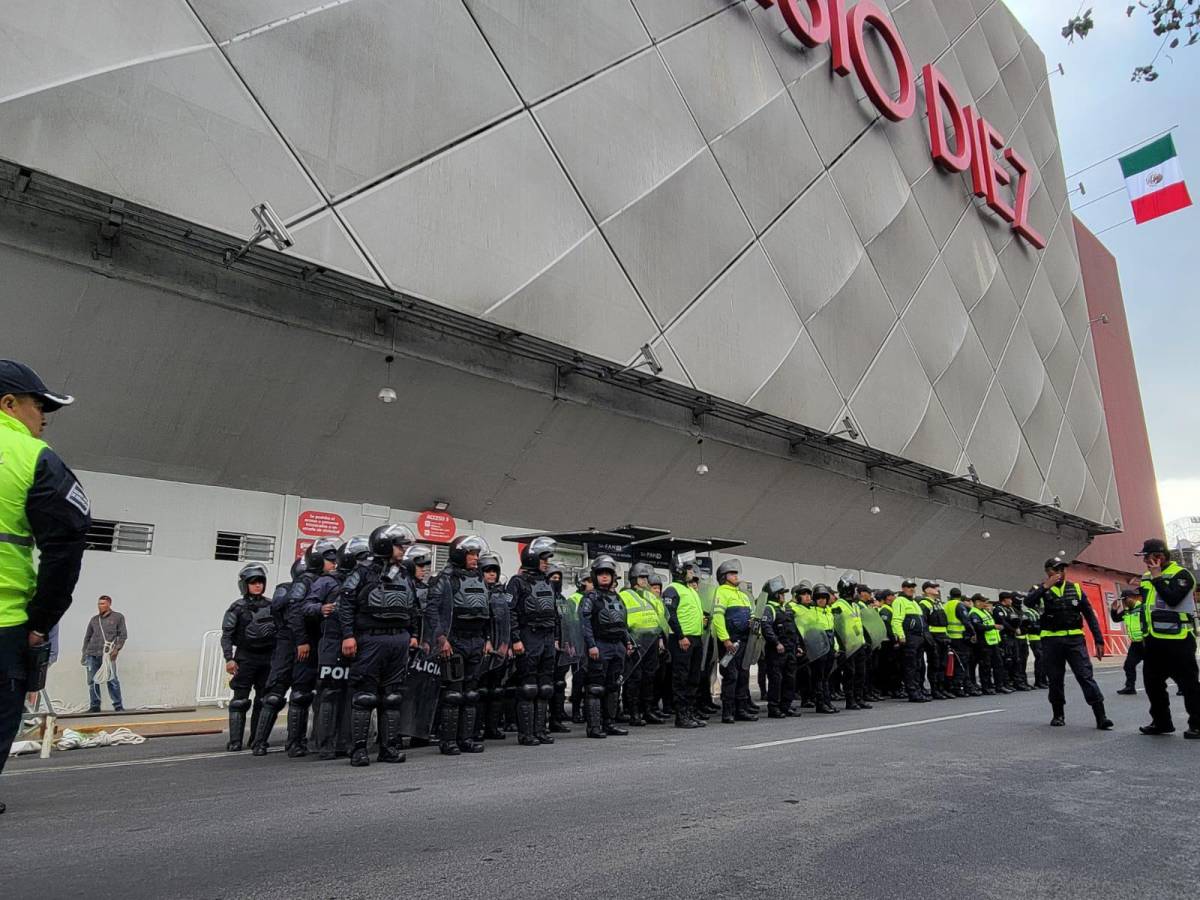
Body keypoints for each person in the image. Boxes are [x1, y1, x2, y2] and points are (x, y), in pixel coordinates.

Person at [0, 361, 90, 816]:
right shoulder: (33, 457)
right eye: (39, 405)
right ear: (8, 404)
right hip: (5, 622)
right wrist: (42, 620)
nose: (44, 417)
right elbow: (65, 547)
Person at [338, 523, 418, 767]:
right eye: (398, 545)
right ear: (385, 545)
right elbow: (346, 604)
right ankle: (359, 750)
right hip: (370, 639)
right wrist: (348, 635)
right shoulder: (362, 572)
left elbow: (413, 606)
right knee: (365, 696)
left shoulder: (404, 573)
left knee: (392, 697)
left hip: (398, 639)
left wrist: (412, 634)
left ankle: (388, 748)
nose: (403, 549)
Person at [1023, 557, 1111, 730]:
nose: (1060, 573)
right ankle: (1058, 715)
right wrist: (1045, 586)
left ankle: (1101, 717)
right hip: (1051, 641)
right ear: (1048, 571)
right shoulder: (1040, 590)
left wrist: (1099, 640)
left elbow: (1090, 616)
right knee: (1055, 679)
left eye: (1062, 569)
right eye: (1055, 569)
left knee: (1085, 676)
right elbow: (1028, 603)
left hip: (1075, 640)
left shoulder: (1075, 588)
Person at [426, 534, 493, 756]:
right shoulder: (444, 579)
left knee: (471, 693)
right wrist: (441, 639)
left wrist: (488, 639)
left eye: (476, 554)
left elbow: (487, 611)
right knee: (453, 694)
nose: (475, 558)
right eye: (471, 554)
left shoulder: (480, 579)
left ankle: (467, 739)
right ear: (459, 555)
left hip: (476, 640)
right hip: (454, 640)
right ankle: (448, 741)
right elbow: (433, 611)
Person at [1132, 539, 1200, 739]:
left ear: (1159, 557)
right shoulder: (1146, 577)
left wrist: (1157, 577)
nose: (1145, 561)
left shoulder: (1182, 574)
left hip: (1179, 639)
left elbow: (1173, 599)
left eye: (1147, 557)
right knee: (1153, 684)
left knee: (1189, 685)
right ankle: (1162, 722)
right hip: (1153, 640)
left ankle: (1197, 724)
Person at [309, 536, 367, 759]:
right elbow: (305, 605)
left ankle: (346, 742)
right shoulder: (327, 581)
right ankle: (325, 745)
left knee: (352, 693)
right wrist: (320, 608)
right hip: (332, 642)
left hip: (355, 642)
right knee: (330, 693)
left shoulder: (363, 580)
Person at [282, 537, 340, 757]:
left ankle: (317, 738)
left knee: (322, 693)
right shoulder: (305, 581)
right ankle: (294, 742)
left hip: (322, 642)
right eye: (329, 559)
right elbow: (295, 611)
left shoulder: (329, 580)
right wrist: (302, 641)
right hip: (306, 643)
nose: (333, 563)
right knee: (301, 694)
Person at [506, 536, 560, 747]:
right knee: (528, 686)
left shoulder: (547, 582)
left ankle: (541, 730)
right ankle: (526, 733)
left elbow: (554, 612)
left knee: (545, 686)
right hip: (529, 635)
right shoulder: (517, 582)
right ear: (531, 559)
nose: (546, 563)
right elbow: (509, 612)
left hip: (546, 637)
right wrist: (516, 639)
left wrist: (555, 638)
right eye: (543, 558)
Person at [249, 557, 305, 755]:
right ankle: (261, 742)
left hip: (295, 644)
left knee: (299, 695)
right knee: (275, 695)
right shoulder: (289, 589)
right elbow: (279, 609)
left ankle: (294, 742)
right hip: (290, 644)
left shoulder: (307, 588)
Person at [220, 563, 275, 752]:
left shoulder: (272, 606)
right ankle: (235, 740)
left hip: (267, 659)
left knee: (264, 700)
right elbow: (226, 635)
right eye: (253, 582)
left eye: (260, 582)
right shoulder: (237, 608)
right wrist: (229, 658)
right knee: (239, 701)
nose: (257, 585)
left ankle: (258, 740)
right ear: (245, 585)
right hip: (245, 657)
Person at [579, 555, 633, 738]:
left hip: (617, 646)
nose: (604, 577)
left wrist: (628, 642)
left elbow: (622, 622)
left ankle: (609, 723)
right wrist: (592, 646)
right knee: (595, 687)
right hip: (600, 646)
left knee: (613, 687)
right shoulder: (590, 597)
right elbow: (585, 624)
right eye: (601, 574)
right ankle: (594, 727)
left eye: (607, 574)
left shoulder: (617, 597)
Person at [618, 562, 666, 727]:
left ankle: (648, 709)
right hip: (635, 640)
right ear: (633, 579)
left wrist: (660, 637)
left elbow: (659, 617)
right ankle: (633, 712)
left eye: (646, 577)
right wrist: (627, 640)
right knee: (635, 678)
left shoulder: (650, 596)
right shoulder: (625, 595)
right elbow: (621, 620)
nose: (645, 580)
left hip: (651, 640)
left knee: (649, 676)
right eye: (641, 577)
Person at [662, 559, 706, 728]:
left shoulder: (690, 590)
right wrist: (681, 636)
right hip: (682, 639)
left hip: (695, 638)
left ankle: (690, 711)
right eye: (688, 570)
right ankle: (681, 715)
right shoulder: (672, 590)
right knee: (681, 677)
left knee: (694, 677)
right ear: (679, 571)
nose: (691, 573)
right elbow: (670, 615)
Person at [712, 559, 756, 723]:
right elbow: (717, 618)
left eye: (736, 573)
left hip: (744, 641)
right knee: (731, 676)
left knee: (743, 675)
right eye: (732, 573)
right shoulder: (721, 592)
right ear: (724, 577)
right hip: (730, 642)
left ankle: (741, 710)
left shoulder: (743, 595)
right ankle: (728, 712)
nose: (736, 576)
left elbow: (751, 614)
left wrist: (752, 622)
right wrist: (725, 640)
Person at [478, 551, 511, 741]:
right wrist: (486, 640)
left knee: (496, 689)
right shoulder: (477, 592)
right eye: (488, 571)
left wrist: (508, 644)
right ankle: (478, 728)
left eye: (494, 571)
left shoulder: (501, 594)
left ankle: (492, 727)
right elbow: (481, 620)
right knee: (481, 689)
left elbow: (506, 620)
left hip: (501, 647)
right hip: (484, 646)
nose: (491, 575)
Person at [81, 595, 127, 712]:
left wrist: (117, 649)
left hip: (107, 654)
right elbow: (87, 637)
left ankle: (118, 705)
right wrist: (84, 654)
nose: (100, 606)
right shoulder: (94, 620)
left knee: (112, 679)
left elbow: (122, 635)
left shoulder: (118, 617)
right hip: (92, 653)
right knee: (92, 681)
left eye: (102, 604)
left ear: (109, 604)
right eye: (99, 604)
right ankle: (95, 705)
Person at [761, 577, 798, 718]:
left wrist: (798, 645)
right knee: (776, 679)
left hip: (790, 650)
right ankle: (774, 707)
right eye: (782, 593)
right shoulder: (769, 609)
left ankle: (786, 705)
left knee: (790, 679)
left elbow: (794, 629)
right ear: (775, 595)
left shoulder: (786, 609)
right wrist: (776, 643)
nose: (784, 596)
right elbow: (766, 627)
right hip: (776, 651)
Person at [889, 586, 929, 702]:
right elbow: (896, 620)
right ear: (903, 588)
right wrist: (901, 636)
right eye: (908, 587)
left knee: (918, 666)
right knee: (910, 667)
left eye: (912, 587)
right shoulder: (900, 601)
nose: (911, 589)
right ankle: (912, 692)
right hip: (909, 637)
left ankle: (918, 690)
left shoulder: (914, 603)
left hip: (918, 637)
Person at [920, 581, 951, 699]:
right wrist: (930, 640)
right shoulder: (925, 604)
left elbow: (944, 623)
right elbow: (924, 623)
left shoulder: (938, 603)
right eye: (933, 587)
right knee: (935, 664)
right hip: (934, 638)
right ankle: (935, 689)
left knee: (943, 664)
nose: (937, 589)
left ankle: (941, 688)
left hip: (943, 637)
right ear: (927, 590)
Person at [1111, 587, 1145, 695]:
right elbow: (1116, 619)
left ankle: (1182, 685)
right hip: (1135, 644)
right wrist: (1113, 610)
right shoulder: (1127, 612)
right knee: (1128, 665)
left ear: (1130, 598)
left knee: (1160, 666)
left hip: (1147, 642)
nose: (1124, 603)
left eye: (1124, 600)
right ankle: (1130, 687)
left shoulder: (1142, 609)